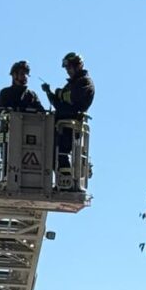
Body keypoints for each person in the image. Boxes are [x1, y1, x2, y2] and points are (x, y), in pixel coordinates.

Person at [42, 52, 95, 191]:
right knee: (55, 155)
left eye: (69, 68)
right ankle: (62, 181)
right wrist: (49, 93)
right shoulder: (73, 83)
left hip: (70, 125)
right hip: (61, 125)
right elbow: (59, 104)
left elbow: (72, 99)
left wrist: (59, 93)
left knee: (62, 155)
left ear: (77, 66)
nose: (67, 71)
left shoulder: (84, 82)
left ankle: (67, 183)